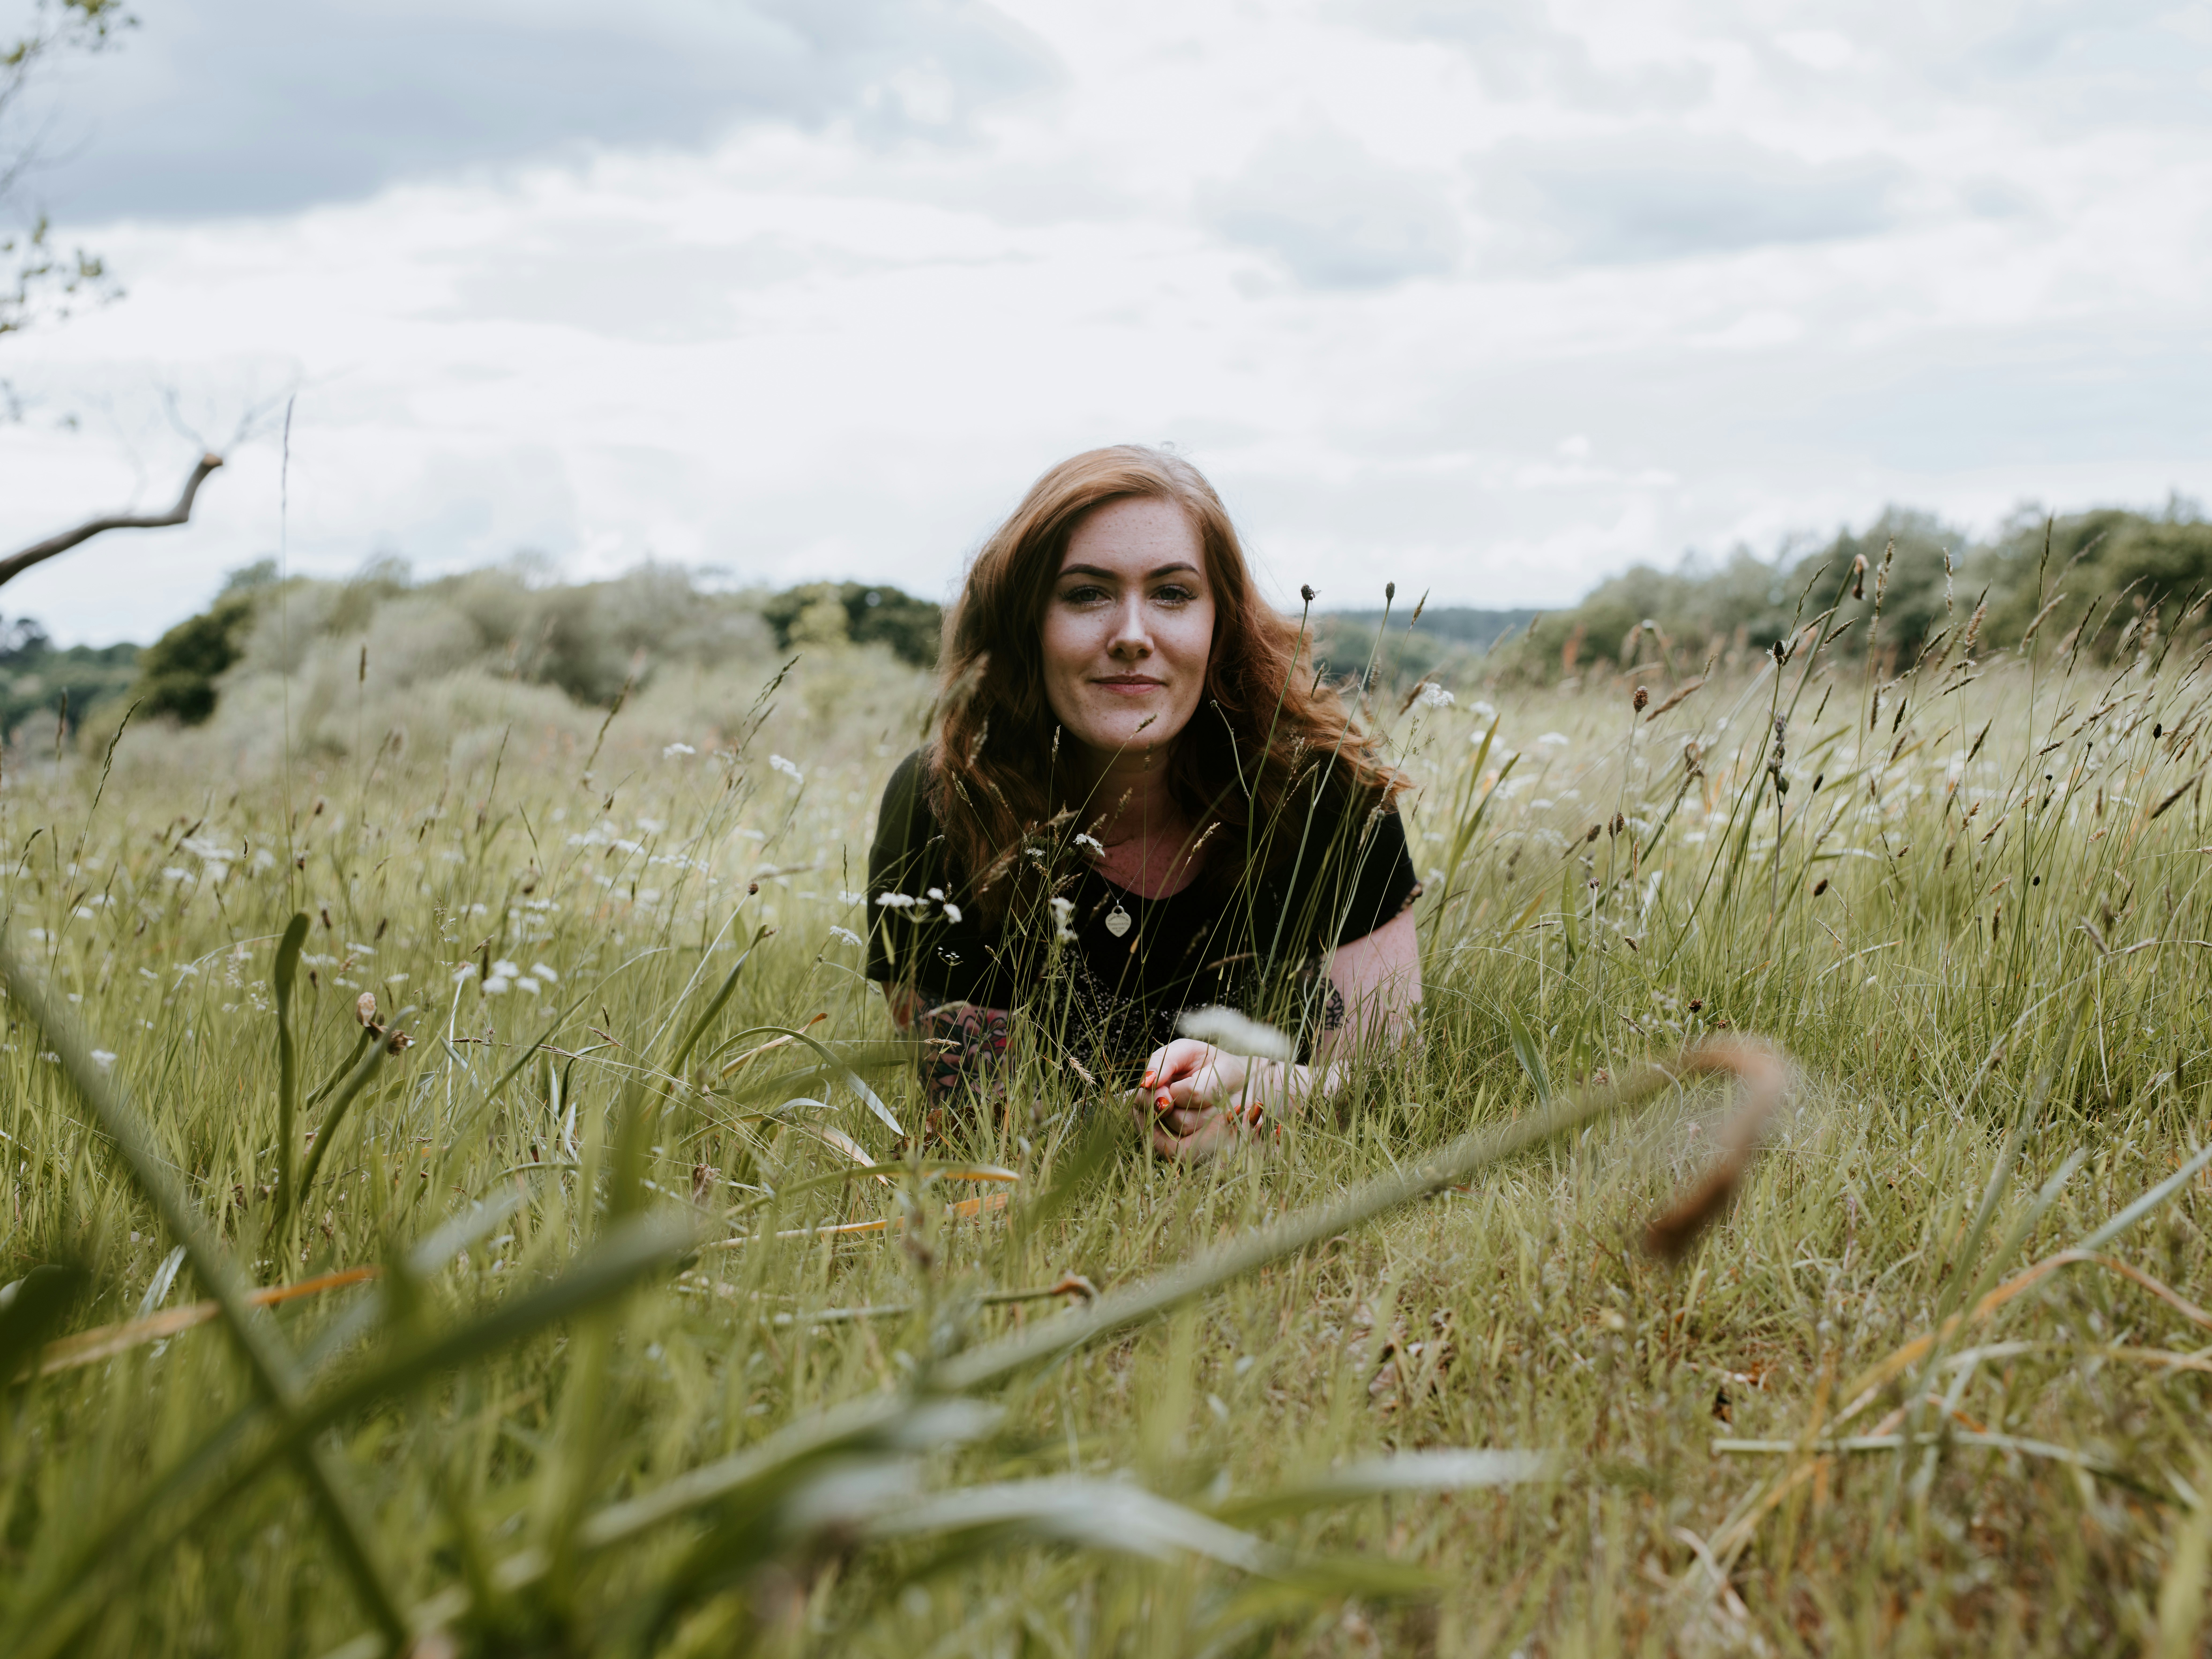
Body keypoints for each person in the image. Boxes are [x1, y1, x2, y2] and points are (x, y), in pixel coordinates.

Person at [865, 445, 1421, 1160]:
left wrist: (1279, 1095)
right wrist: (1140, 1130)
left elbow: (1389, 1075)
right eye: (1086, 594)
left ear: (1221, 622)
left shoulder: (1330, 791)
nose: (1132, 636)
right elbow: (974, 1117)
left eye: (1173, 594)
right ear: (1025, 623)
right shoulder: (949, 799)